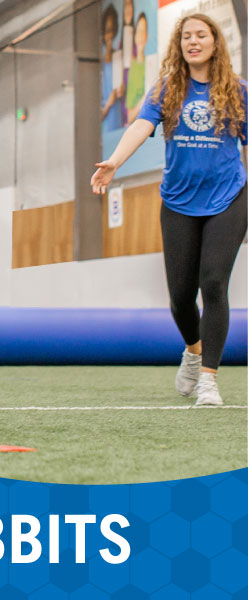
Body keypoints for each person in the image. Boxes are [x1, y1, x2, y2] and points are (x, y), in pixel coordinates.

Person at [91, 14, 247, 406]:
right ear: (179, 45)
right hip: (178, 200)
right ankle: (193, 351)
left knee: (213, 283)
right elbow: (140, 127)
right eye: (186, 37)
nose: (193, 42)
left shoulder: (237, 92)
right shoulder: (167, 90)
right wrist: (115, 162)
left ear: (215, 42)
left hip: (229, 196)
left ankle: (209, 379)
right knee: (180, 296)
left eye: (201, 35)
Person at [101, 4, 124, 131]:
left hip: (119, 122)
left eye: (112, 31)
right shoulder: (100, 67)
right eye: (107, 31)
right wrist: (108, 104)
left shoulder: (119, 60)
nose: (109, 36)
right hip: (106, 125)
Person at [125, 12, 148, 124]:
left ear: (147, 36)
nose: (140, 36)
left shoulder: (151, 64)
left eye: (143, 32)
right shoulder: (133, 69)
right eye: (138, 32)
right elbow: (129, 117)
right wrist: (145, 98)